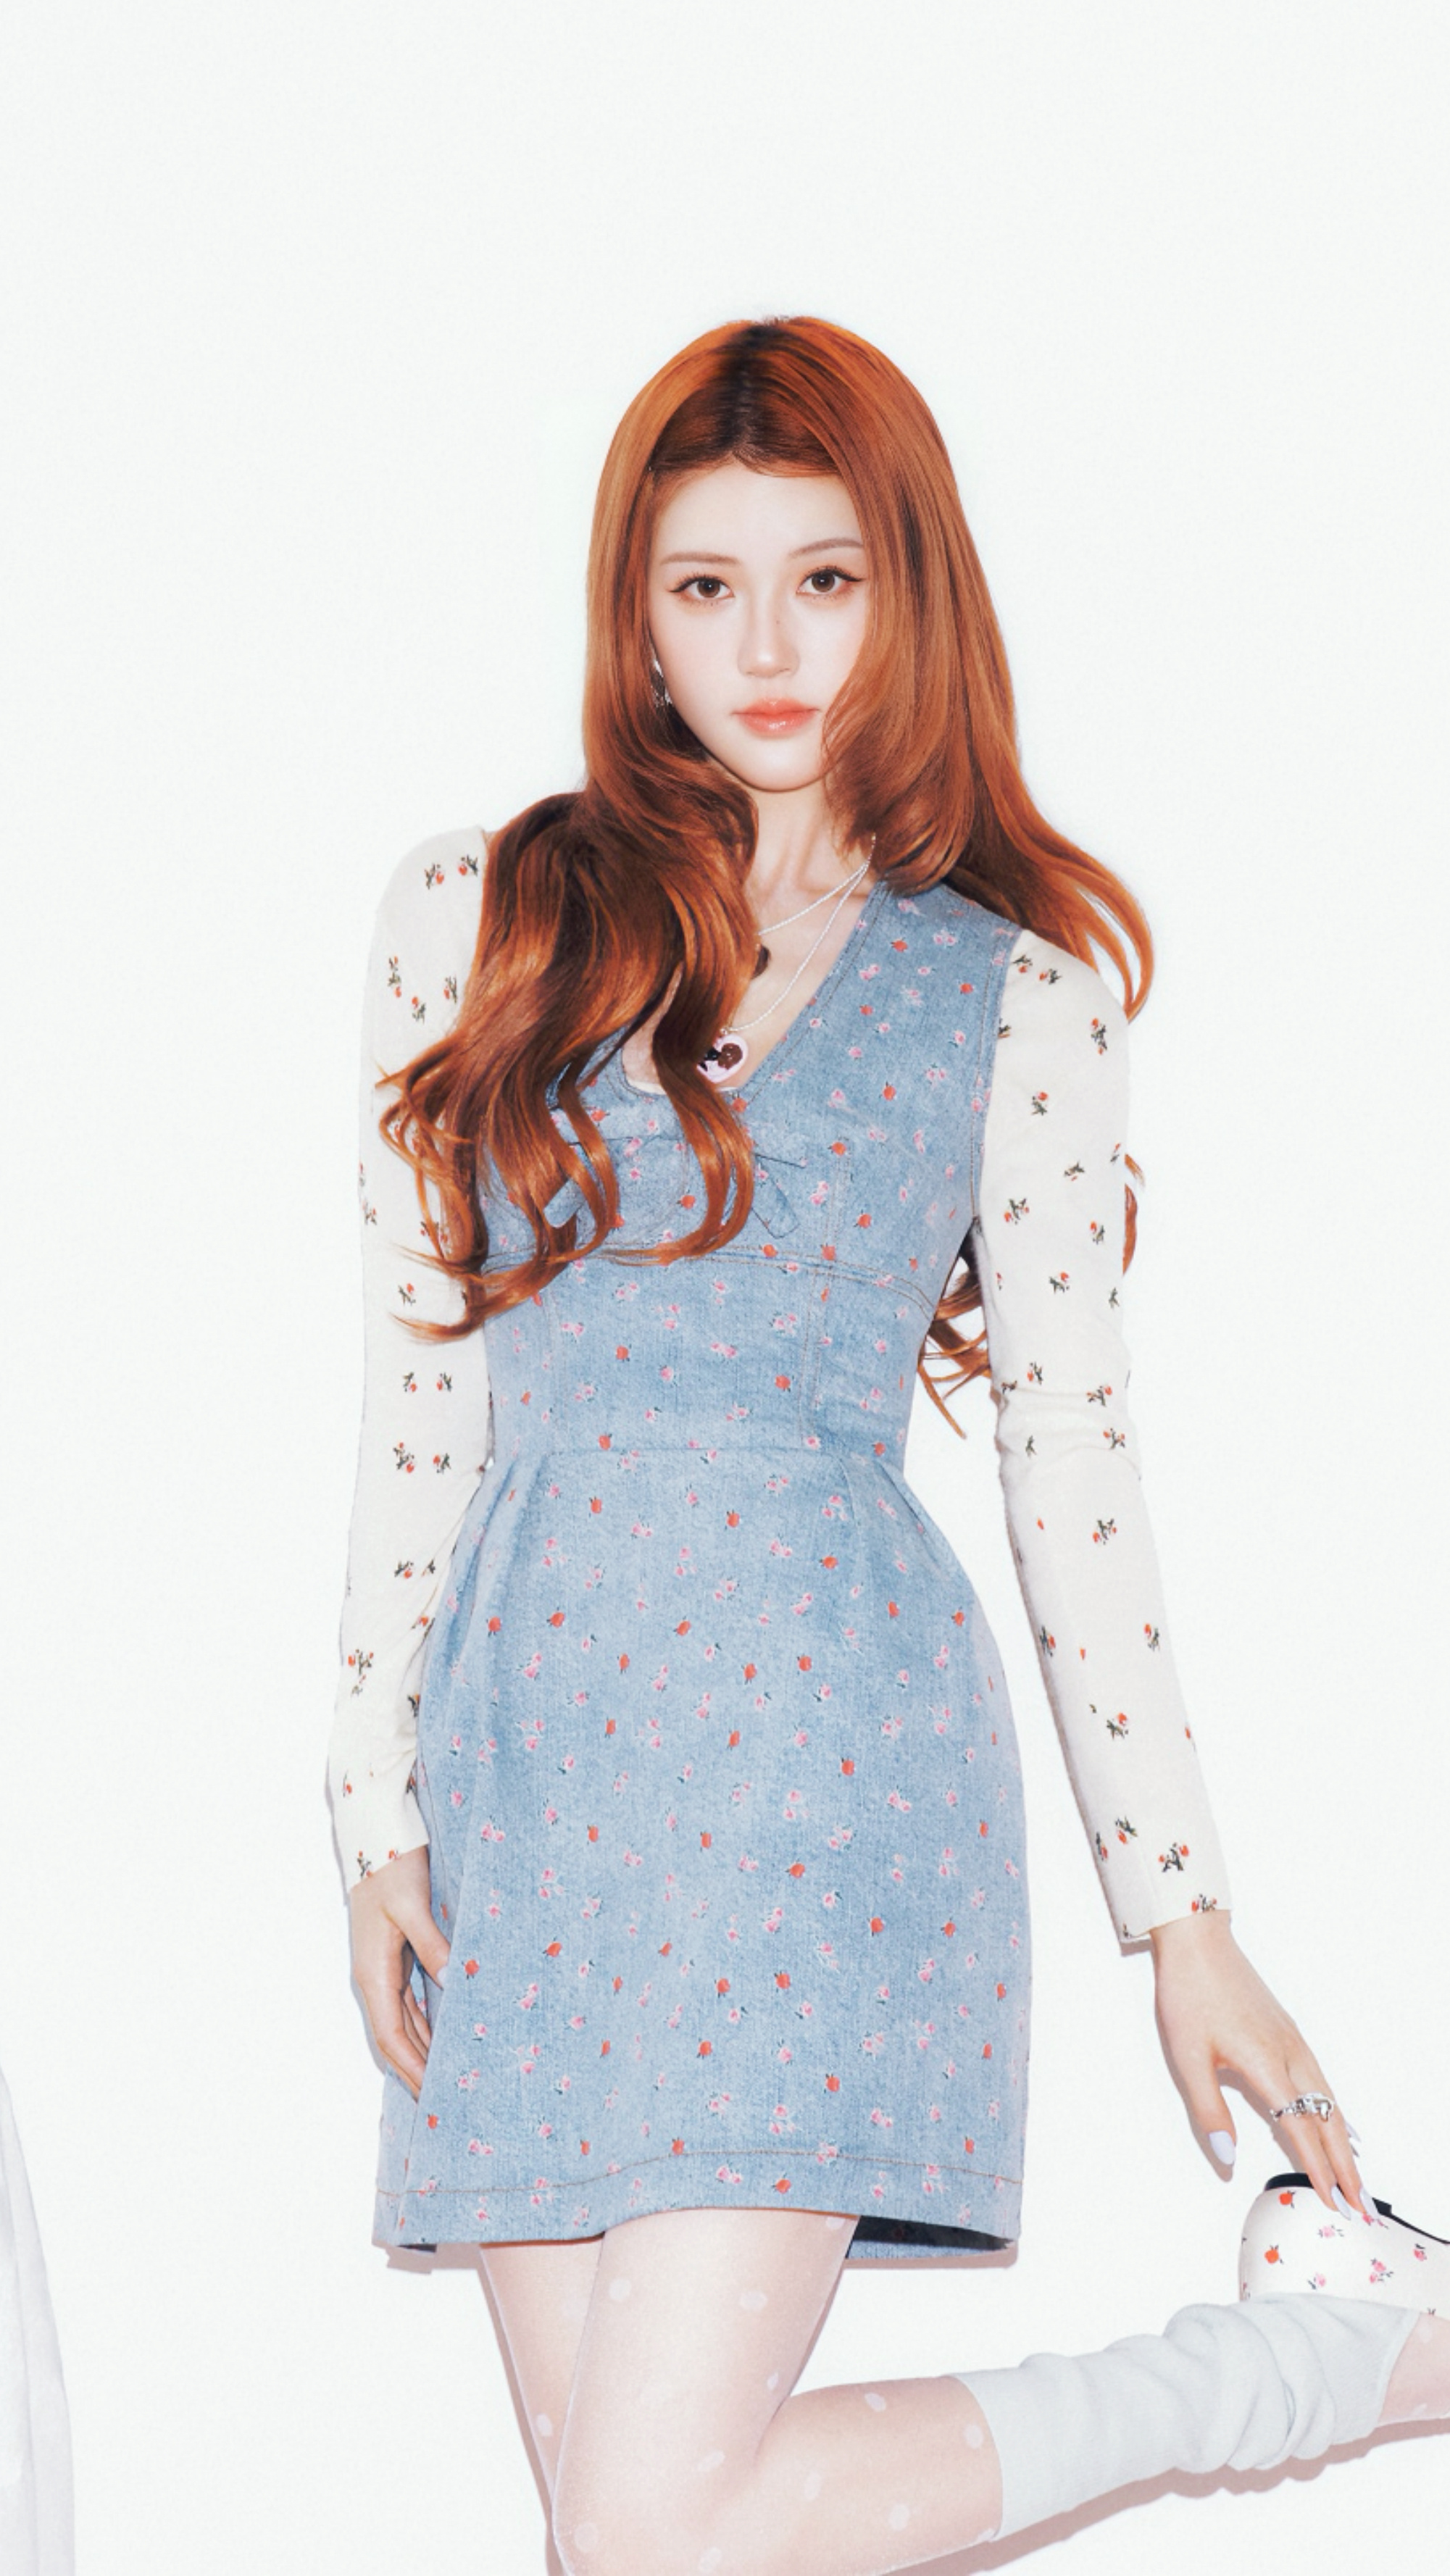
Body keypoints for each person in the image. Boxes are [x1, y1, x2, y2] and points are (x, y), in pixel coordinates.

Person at [330, 317, 1449, 2573]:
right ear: (635, 615)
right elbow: (421, 1380)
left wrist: (1182, 1917)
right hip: (530, 1776)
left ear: (904, 589)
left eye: (822, 581)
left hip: (818, 1773)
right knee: (645, 2553)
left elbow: (1071, 1461)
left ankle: (1317, 2366)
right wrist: (369, 1801)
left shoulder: (1015, 991)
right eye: (706, 585)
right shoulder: (480, 915)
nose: (765, 649)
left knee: (651, 2530)